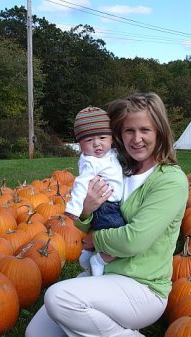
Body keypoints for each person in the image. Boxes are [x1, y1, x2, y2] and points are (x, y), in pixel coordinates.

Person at [25, 92, 188, 337]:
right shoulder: (120, 168)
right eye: (128, 131)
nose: (137, 139)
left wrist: (95, 240)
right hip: (103, 276)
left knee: (58, 298)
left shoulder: (170, 180)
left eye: (145, 130)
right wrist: (87, 210)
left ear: (160, 131)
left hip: (142, 287)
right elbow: (85, 224)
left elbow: (135, 240)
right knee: (37, 333)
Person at [64, 106, 125, 276]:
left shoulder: (110, 153)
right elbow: (81, 183)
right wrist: (74, 208)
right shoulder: (90, 161)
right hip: (106, 206)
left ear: (111, 138)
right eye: (89, 140)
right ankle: (99, 260)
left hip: (111, 204)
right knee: (120, 240)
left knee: (104, 235)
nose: (97, 144)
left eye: (103, 137)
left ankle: (87, 253)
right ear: (80, 144)